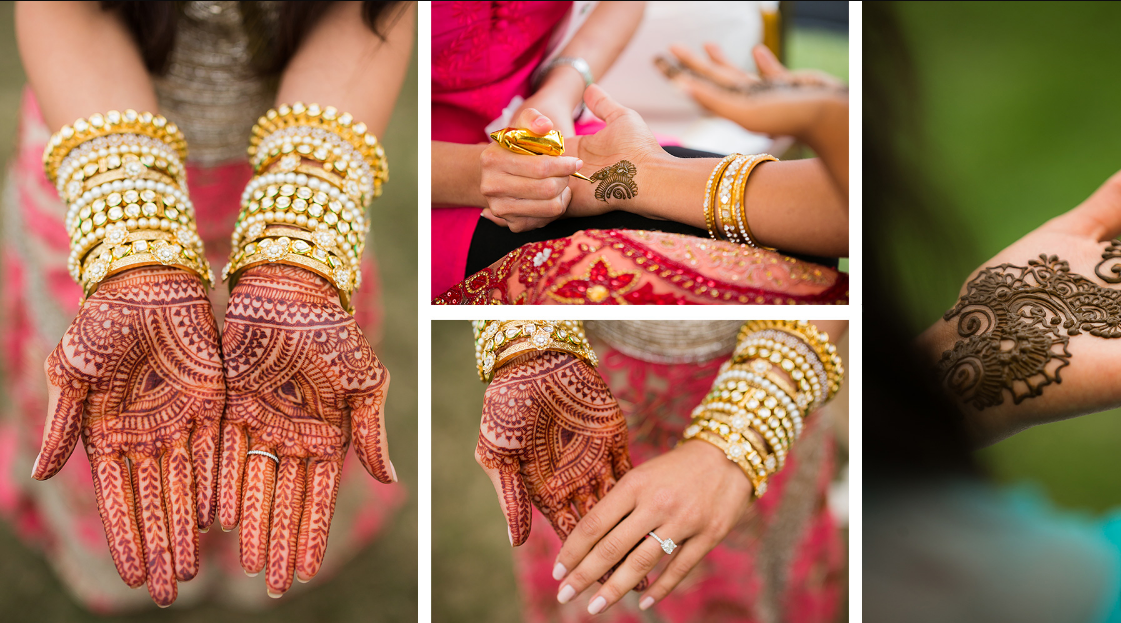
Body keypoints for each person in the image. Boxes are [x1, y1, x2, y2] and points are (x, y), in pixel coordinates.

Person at [1, 0, 413, 609]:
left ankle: (242, 551)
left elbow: (369, 10)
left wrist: (297, 248)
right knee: (120, 402)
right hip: (99, 164)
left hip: (305, 172)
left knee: (287, 400)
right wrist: (135, 250)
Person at [431, 2, 849, 305]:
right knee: (787, 282)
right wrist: (481, 173)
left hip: (559, 131)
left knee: (800, 252)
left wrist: (559, 90)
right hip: (442, 183)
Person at [472, 320, 847, 621]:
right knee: (592, 550)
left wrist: (738, 436)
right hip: (575, 417)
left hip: (763, 391)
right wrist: (526, 349)